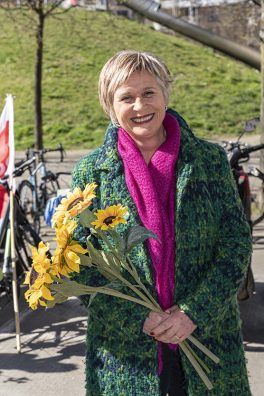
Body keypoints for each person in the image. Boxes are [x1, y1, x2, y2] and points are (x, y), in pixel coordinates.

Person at [72, 50, 252, 396]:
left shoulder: (208, 160)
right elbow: (80, 262)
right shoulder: (91, 172)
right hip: (127, 352)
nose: (140, 106)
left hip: (207, 338)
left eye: (149, 93)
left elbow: (235, 243)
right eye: (127, 97)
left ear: (165, 94)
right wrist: (136, 316)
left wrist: (191, 313)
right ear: (110, 105)